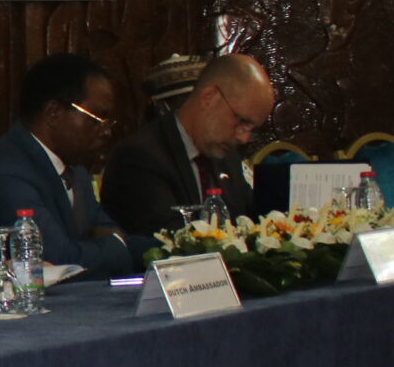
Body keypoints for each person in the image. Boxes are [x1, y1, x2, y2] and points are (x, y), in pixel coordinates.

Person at [0, 52, 146, 279]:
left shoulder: (75, 168)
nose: (107, 131)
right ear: (54, 112)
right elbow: (57, 261)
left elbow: (108, 230)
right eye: (98, 118)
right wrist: (115, 246)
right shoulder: (6, 174)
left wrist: (168, 250)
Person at [100, 53, 275, 238]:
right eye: (241, 122)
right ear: (209, 97)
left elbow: (250, 224)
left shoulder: (227, 157)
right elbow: (170, 241)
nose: (244, 138)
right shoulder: (140, 157)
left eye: (251, 129)